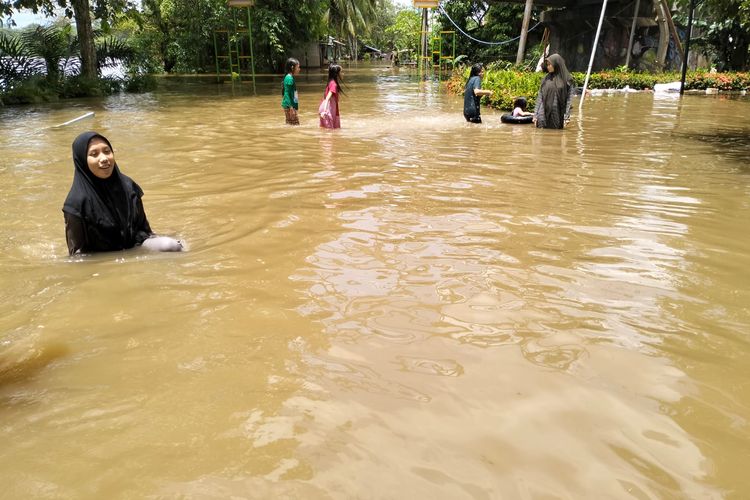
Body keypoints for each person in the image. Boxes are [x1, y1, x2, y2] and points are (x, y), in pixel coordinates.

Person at [62, 131, 183, 255]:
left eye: (107, 151)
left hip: (136, 244)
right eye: (94, 154)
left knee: (173, 246)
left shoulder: (128, 186)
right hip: (104, 257)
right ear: (82, 161)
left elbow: (145, 230)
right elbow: (77, 254)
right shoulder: (76, 203)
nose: (103, 158)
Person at [533, 54, 575, 129]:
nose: (548, 67)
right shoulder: (546, 78)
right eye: (547, 65)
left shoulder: (567, 79)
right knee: (540, 134)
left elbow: (569, 99)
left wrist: (566, 117)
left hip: (557, 113)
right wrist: (535, 115)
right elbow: (540, 97)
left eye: (550, 65)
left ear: (557, 64)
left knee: (556, 135)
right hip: (543, 112)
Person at [319, 64, 343, 129]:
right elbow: (327, 98)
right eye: (341, 72)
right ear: (337, 74)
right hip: (327, 110)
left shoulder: (330, 82)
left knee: (327, 131)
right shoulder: (334, 84)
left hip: (326, 109)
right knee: (330, 133)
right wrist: (324, 111)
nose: (342, 74)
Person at [281, 57, 300, 125]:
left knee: (290, 124)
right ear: (292, 68)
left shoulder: (289, 77)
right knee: (295, 125)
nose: (299, 69)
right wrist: (291, 108)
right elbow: (287, 93)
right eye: (298, 67)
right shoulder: (289, 78)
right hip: (289, 106)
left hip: (289, 105)